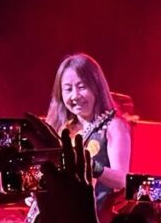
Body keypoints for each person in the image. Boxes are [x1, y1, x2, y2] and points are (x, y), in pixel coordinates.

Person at [46, 53, 132, 209]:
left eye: (81, 87)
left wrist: (91, 166)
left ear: (96, 87)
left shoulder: (114, 126)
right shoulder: (61, 128)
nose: (75, 96)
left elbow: (122, 180)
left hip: (95, 218)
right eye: (67, 89)